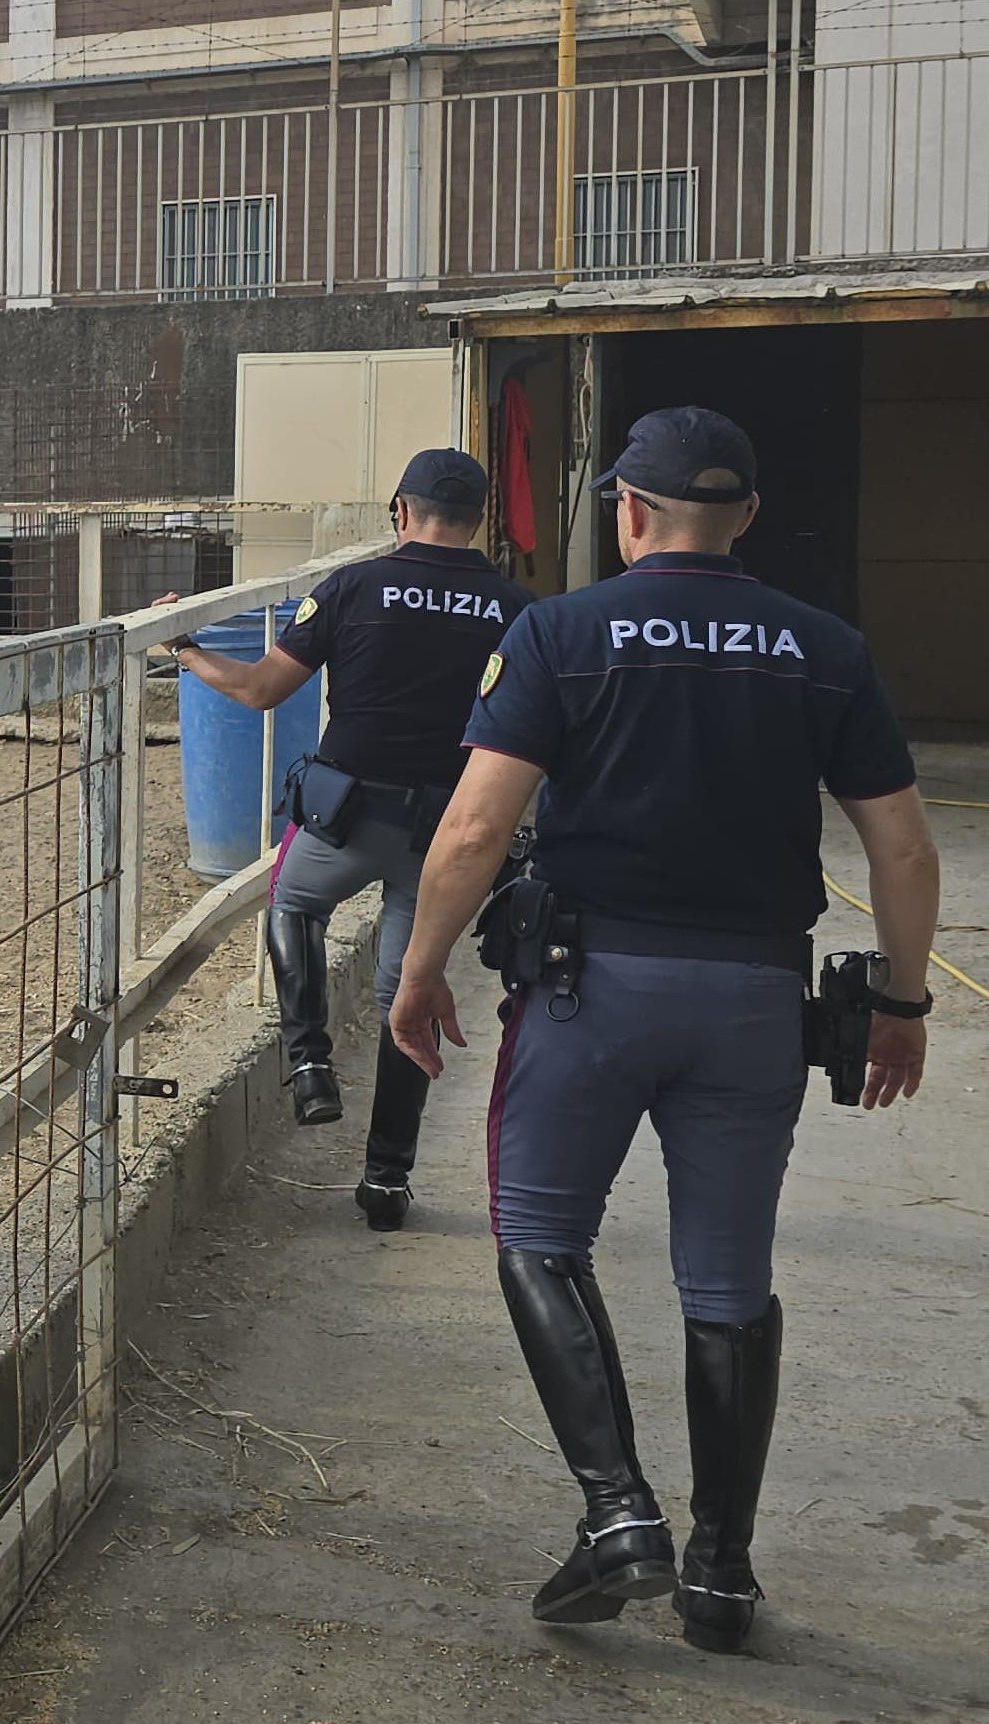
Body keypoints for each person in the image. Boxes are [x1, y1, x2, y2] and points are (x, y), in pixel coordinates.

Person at [389, 407, 939, 1652]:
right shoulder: (824, 648)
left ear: (626, 513)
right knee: (729, 1283)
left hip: (592, 994)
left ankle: (617, 1512)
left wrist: (418, 972)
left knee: (536, 1234)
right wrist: (902, 1001)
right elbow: (899, 844)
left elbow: (475, 832)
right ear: (746, 517)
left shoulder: (562, 632)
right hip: (753, 1005)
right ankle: (723, 1575)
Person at [158, 449, 530, 1230]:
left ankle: (308, 1061)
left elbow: (261, 689)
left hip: (346, 816)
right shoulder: (513, 609)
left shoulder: (352, 587)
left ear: (400, 510)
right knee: (408, 994)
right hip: (445, 834)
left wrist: (189, 653)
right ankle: (387, 1180)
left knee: (290, 902)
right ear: (479, 520)